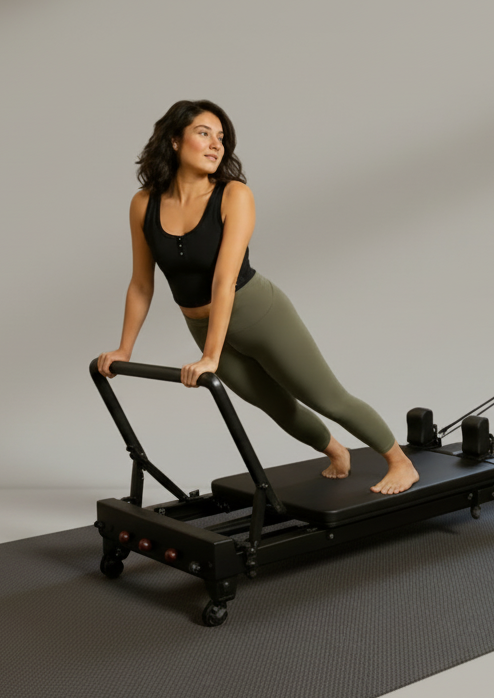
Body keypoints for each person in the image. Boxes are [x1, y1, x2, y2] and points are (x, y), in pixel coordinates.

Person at [96, 100, 420, 495]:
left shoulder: (234, 196)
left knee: (327, 398)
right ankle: (338, 452)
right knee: (277, 407)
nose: (216, 144)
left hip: (257, 313)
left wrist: (210, 357)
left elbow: (224, 280)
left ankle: (400, 462)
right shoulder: (143, 204)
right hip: (202, 324)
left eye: (221, 138)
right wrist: (124, 349)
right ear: (174, 141)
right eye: (204, 133)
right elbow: (141, 284)